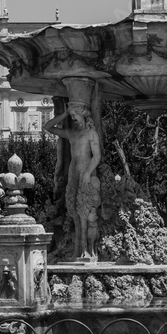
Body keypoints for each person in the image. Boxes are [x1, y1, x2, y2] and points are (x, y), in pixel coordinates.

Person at [44, 102, 101, 260]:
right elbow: (47, 127)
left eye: (75, 116)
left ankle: (87, 251)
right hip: (73, 175)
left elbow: (97, 156)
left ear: (83, 115)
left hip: (85, 174)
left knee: (85, 213)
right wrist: (65, 114)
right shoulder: (71, 133)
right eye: (73, 117)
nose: (74, 119)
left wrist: (88, 173)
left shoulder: (91, 134)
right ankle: (79, 250)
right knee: (75, 212)